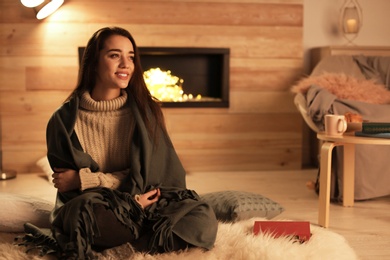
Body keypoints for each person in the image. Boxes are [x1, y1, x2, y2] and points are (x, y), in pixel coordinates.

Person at [35, 26, 218, 259]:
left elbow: (155, 177)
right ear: (93, 61)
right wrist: (119, 198)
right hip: (97, 206)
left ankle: (123, 233)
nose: (126, 64)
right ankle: (129, 233)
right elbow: (68, 188)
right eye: (114, 55)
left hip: (144, 200)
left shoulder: (146, 112)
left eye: (131, 57)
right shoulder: (62, 121)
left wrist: (88, 180)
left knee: (201, 217)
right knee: (87, 215)